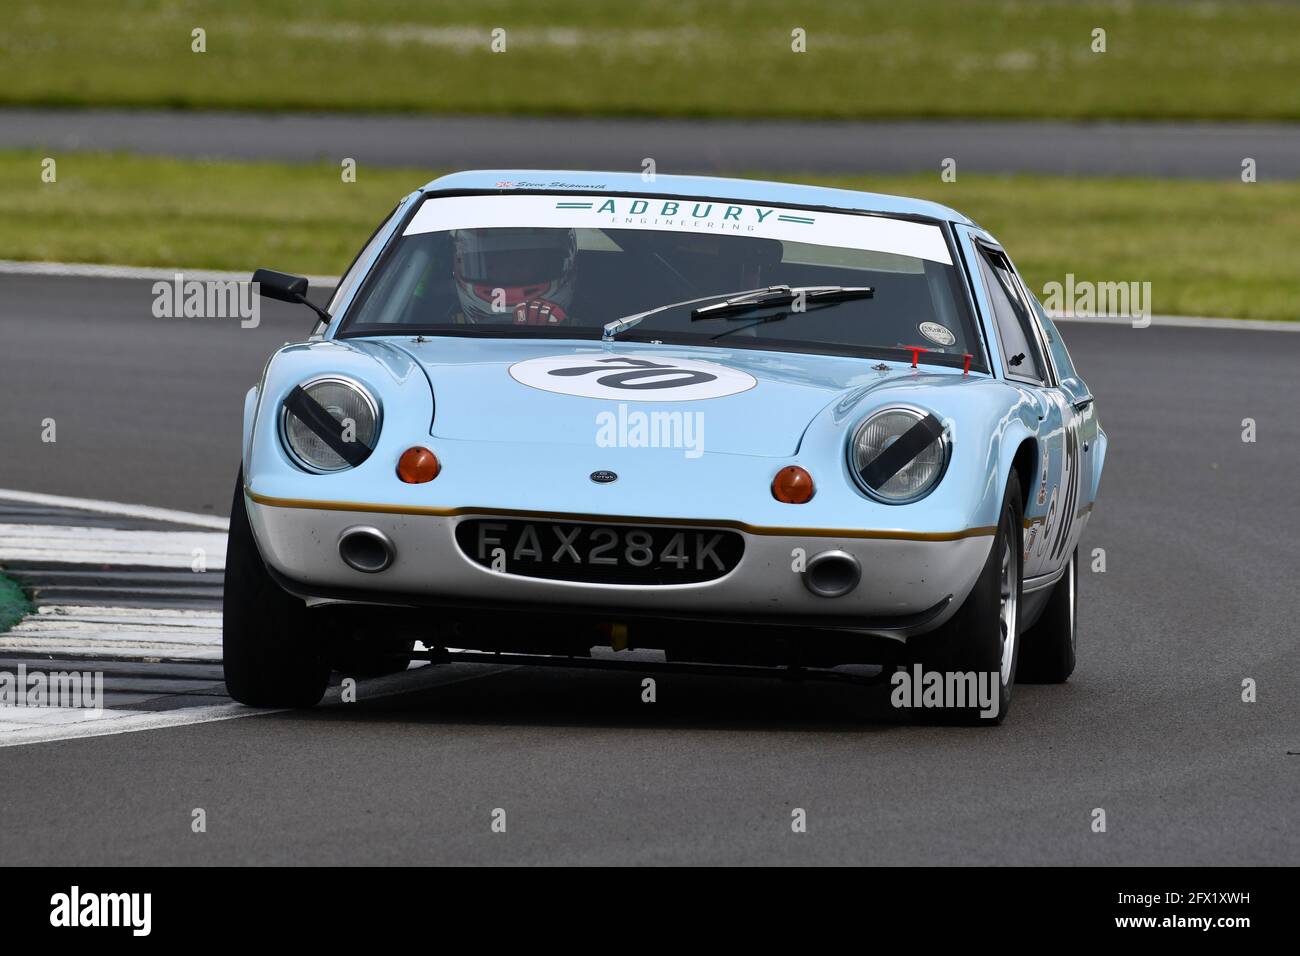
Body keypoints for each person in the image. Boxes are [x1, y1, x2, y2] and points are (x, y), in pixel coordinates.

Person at [451, 227, 577, 325]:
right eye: (495, 262)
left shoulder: (590, 332)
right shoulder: (439, 327)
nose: (506, 273)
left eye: (521, 262)